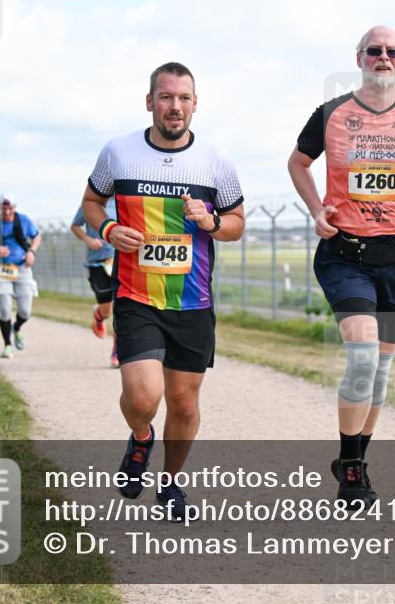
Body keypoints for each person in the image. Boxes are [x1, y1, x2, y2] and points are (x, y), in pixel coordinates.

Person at [288, 26, 395, 507]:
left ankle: (356, 455)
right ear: (359, 57)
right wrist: (316, 210)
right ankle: (352, 468)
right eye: (374, 50)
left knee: (379, 371)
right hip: (346, 256)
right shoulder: (332, 113)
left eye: (392, 52)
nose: (383, 57)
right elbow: (298, 163)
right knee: (360, 358)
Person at [81, 62, 245, 521]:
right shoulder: (119, 153)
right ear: (150, 101)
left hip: (193, 304)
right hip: (136, 296)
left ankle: (170, 485)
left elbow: (236, 224)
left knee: (183, 402)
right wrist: (110, 227)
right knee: (142, 399)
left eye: (184, 98)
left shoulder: (216, 160)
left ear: (195, 104)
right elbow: (92, 202)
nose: (175, 107)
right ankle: (140, 438)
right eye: (166, 97)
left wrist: (211, 221)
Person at [0, 194, 41, 359]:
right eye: (4, 208)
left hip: (22, 268)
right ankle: (7, 345)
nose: (7, 211)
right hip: (1, 269)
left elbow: (37, 236)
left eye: (10, 208)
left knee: (25, 311)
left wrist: (31, 252)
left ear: (15, 207)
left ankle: (16, 328)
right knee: (5, 309)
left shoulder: (24, 220)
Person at [70, 199, 119, 368]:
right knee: (107, 309)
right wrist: (88, 240)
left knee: (121, 308)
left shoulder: (125, 196)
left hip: (120, 259)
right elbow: (75, 226)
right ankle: (99, 315)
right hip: (97, 262)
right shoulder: (91, 201)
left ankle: (117, 351)